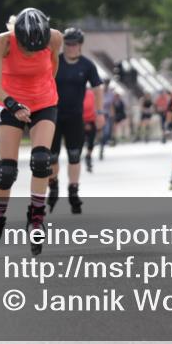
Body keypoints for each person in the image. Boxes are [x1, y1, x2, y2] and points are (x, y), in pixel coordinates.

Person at [0, 8, 61, 257]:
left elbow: (53, 68)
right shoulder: (2, 42)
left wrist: (40, 95)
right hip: (8, 102)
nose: (31, 53)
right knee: (6, 171)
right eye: (27, 49)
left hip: (43, 102)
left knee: (41, 161)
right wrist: (14, 105)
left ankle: (36, 220)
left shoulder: (55, 38)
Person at [47, 27, 104, 214]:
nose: (71, 47)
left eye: (75, 44)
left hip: (74, 117)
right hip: (53, 116)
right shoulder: (55, 61)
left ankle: (73, 191)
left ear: (80, 45)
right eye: (68, 44)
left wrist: (100, 112)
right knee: (51, 157)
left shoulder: (87, 65)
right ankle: (53, 185)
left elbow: (97, 88)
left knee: (74, 156)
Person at [82, 83, 98, 173]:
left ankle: (88, 156)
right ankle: (86, 156)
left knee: (91, 141)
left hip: (90, 120)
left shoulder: (91, 94)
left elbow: (94, 107)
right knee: (84, 141)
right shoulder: (79, 94)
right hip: (81, 120)